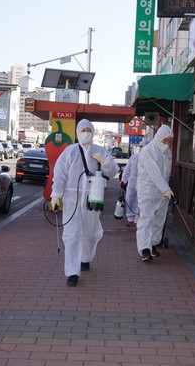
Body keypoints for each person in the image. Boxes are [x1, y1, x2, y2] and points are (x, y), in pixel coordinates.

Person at [50, 119, 119, 287]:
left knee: (89, 234)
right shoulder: (70, 151)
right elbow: (59, 174)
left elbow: (112, 172)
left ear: (93, 132)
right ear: (77, 133)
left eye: (89, 129)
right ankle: (72, 272)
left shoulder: (100, 151)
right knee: (71, 235)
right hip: (72, 200)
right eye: (83, 129)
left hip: (93, 200)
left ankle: (85, 258)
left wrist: (104, 161)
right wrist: (55, 194)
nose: (86, 132)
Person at [135, 124, 174, 262]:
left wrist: (166, 187)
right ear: (159, 138)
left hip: (162, 191)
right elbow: (154, 173)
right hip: (148, 189)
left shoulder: (167, 152)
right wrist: (166, 189)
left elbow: (166, 173)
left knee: (159, 219)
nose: (167, 144)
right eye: (166, 140)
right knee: (146, 218)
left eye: (170, 141)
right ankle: (144, 249)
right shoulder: (147, 151)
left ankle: (153, 243)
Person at [120, 139, 149, 227]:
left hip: (143, 182)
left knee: (139, 201)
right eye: (140, 146)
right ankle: (130, 218)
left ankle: (137, 219)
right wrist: (123, 180)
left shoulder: (149, 159)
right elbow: (127, 169)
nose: (142, 148)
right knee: (129, 199)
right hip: (132, 181)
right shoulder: (134, 157)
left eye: (143, 147)